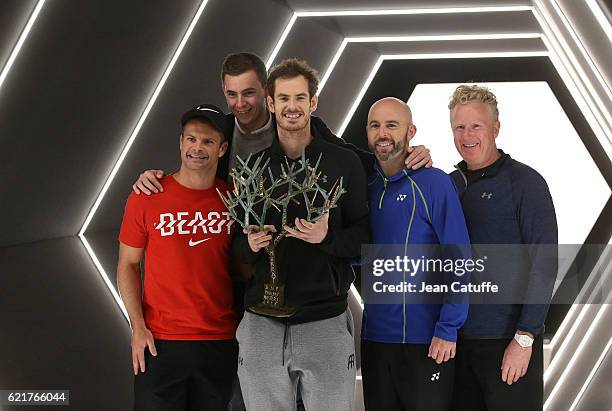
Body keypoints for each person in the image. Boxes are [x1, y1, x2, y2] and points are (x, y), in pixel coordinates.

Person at [235, 58, 369, 411]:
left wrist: (327, 239)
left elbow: (365, 237)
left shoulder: (344, 163)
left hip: (325, 319)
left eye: (299, 98)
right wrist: (248, 245)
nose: (291, 107)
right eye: (283, 99)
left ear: (313, 102)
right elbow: (233, 246)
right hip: (262, 324)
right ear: (270, 103)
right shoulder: (252, 168)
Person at [132, 52, 432, 195]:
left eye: (249, 93)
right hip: (229, 246)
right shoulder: (216, 129)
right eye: (232, 94)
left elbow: (357, 161)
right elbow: (191, 167)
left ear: (266, 92)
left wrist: (404, 156)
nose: (240, 103)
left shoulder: (306, 126)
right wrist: (154, 178)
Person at [117, 104, 238, 411]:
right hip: (159, 343)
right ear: (181, 142)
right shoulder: (146, 196)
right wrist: (137, 327)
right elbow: (128, 265)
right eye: (191, 139)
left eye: (208, 142)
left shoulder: (236, 200)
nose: (198, 148)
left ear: (222, 148)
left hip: (219, 341)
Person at [447, 85, 557, 411]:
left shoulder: (525, 183)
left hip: (508, 342)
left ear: (495, 128)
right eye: (459, 127)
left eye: (476, 126)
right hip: (457, 346)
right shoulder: (449, 185)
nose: (467, 135)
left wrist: (524, 339)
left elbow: (545, 264)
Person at [361, 98, 470, 410]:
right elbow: (363, 253)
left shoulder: (434, 183)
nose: (382, 133)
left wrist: (448, 328)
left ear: (410, 131)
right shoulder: (366, 187)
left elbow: (459, 260)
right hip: (376, 340)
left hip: (427, 341)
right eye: (375, 125)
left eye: (391, 125)